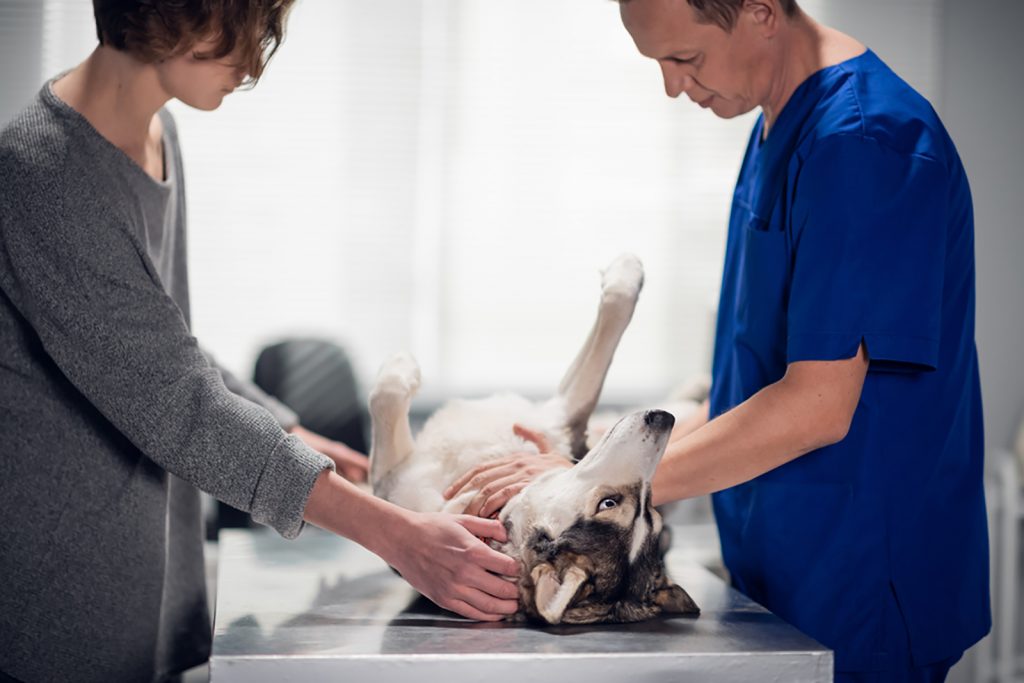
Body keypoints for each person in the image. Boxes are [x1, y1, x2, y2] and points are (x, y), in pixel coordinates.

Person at [446, 0, 989, 680]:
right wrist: (600, 453)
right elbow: (755, 385)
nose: (673, 86)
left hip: (861, 580)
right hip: (783, 561)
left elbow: (817, 406)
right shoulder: (775, 122)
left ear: (760, 12)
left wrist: (590, 488)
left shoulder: (862, 145)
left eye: (685, 59)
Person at [0, 2, 519, 681]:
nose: (252, 63)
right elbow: (177, 405)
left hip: (148, 578)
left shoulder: (155, 131)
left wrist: (285, 428)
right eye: (241, 29)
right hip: (61, 614)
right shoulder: (44, 173)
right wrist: (398, 535)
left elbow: (162, 345)